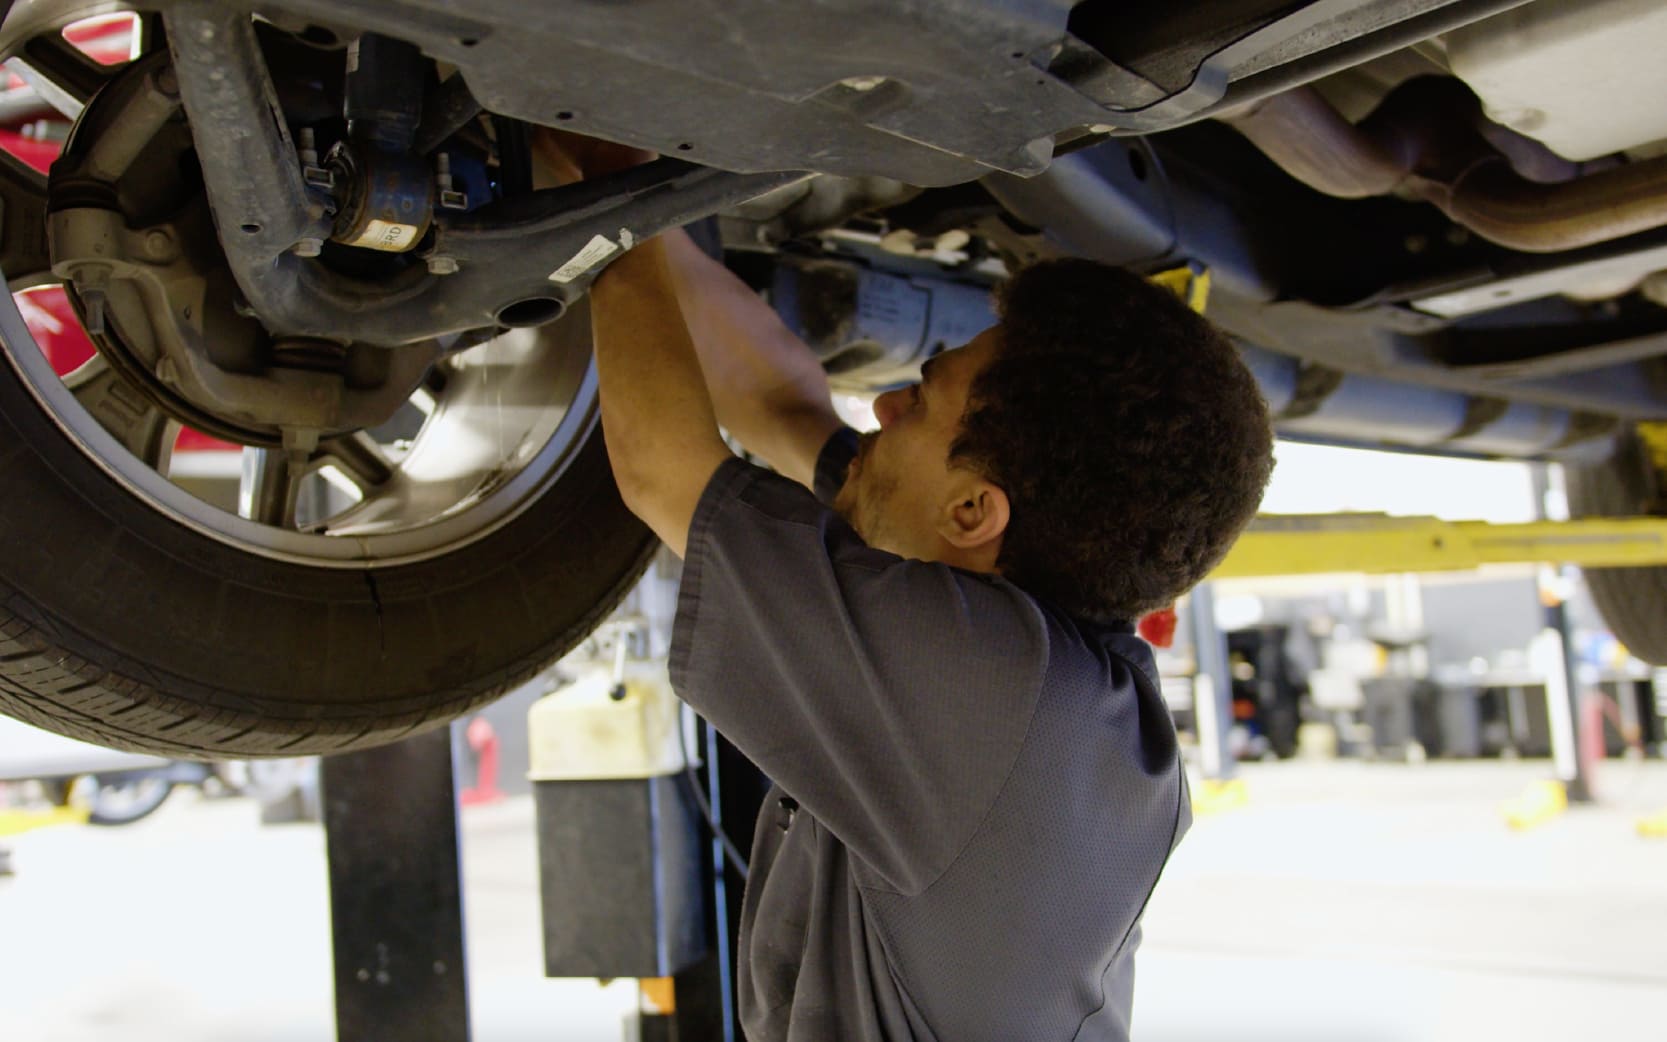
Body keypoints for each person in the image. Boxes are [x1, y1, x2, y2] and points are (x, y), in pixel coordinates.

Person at [540, 132, 1274, 1041]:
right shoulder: (1036, 657)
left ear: (972, 513)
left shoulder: (988, 695)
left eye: (918, 400)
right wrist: (634, 204)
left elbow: (665, 471)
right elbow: (784, 407)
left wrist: (610, 201)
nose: (881, 407)